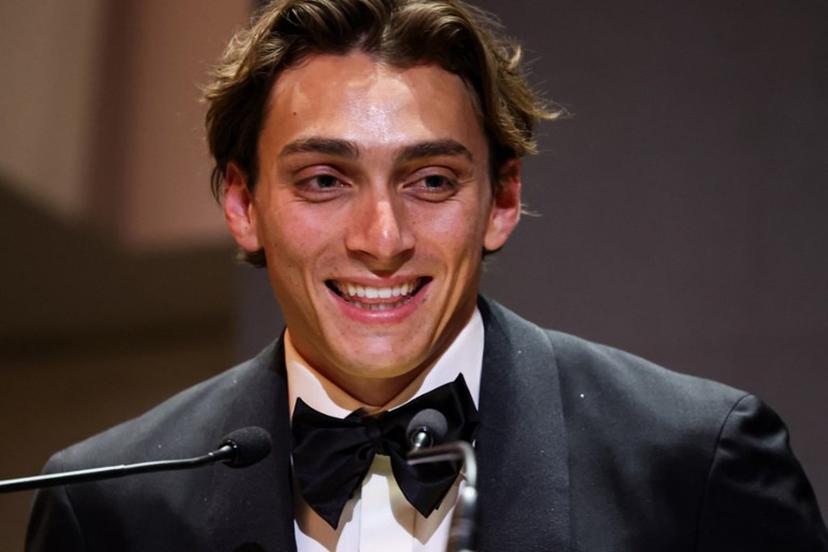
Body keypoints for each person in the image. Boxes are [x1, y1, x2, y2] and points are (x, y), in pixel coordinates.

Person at [26, 0, 828, 550]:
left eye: (432, 181)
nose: (383, 238)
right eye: (323, 181)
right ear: (242, 204)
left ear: (502, 199)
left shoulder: (693, 463)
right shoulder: (109, 506)